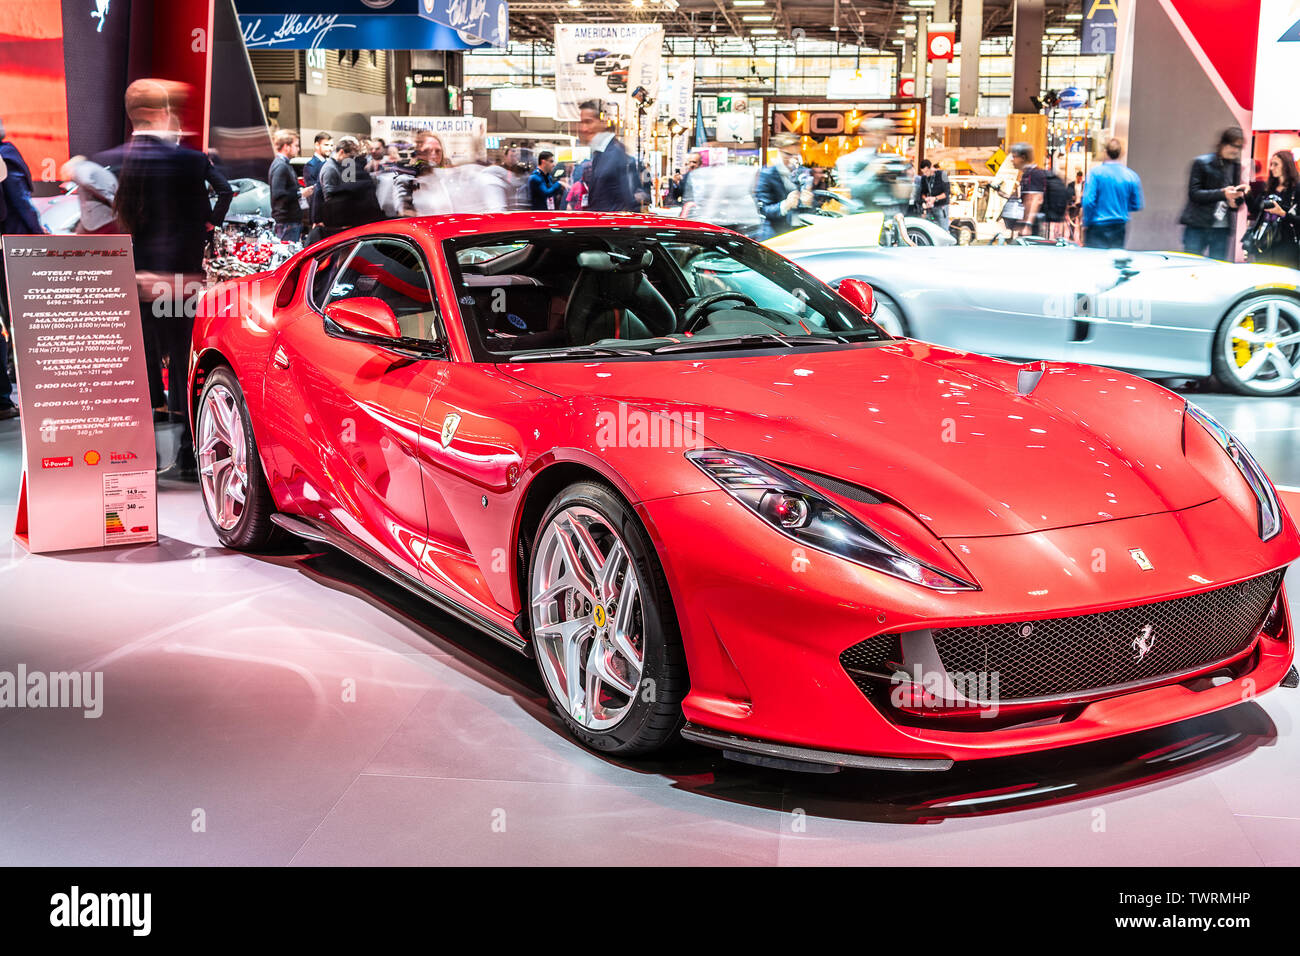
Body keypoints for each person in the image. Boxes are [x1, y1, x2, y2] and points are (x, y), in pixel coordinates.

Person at [95, 79, 232, 480]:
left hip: (137, 279)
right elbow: (223, 192)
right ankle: (190, 456)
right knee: (187, 367)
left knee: (140, 366)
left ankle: (141, 457)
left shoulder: (119, 160)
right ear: (163, 111)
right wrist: (208, 227)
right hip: (183, 280)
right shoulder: (191, 161)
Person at [1180, 127, 1247, 261]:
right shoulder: (1202, 163)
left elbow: (1232, 199)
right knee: (1190, 265)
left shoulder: (1235, 166)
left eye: (1239, 147)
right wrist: (1223, 194)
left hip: (1222, 228)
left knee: (1217, 268)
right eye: (1233, 145)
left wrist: (1236, 201)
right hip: (1198, 225)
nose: (1235, 150)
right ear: (1223, 143)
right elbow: (1194, 194)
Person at [1081, 138, 1144, 250]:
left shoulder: (1096, 173)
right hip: (1119, 226)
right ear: (1120, 154)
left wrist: (1086, 222)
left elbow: (1088, 201)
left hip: (1097, 225)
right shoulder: (1131, 175)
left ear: (1105, 152)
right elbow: (1136, 204)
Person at [575, 100, 637, 212]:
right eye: (582, 122)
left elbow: (629, 201)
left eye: (588, 122)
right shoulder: (600, 154)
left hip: (611, 225)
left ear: (603, 122)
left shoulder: (615, 154)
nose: (584, 128)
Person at [316, 136, 383, 238]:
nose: (351, 161)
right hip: (336, 222)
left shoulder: (338, 167)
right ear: (342, 152)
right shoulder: (330, 168)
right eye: (350, 157)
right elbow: (329, 196)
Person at [1245, 149, 1300, 269]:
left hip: (1286, 243)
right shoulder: (1269, 187)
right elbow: (1255, 210)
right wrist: (1247, 194)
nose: (1271, 168)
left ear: (1286, 166)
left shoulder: (1296, 189)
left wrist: (1283, 214)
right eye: (1271, 164)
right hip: (1265, 240)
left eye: (1276, 164)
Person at [754, 133, 802, 240]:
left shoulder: (800, 173)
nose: (793, 159)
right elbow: (764, 210)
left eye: (796, 155)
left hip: (798, 234)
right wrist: (786, 205)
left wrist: (808, 201)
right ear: (779, 151)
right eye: (788, 154)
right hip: (775, 236)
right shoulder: (767, 174)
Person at [394, 131, 453, 217]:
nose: (433, 155)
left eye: (438, 151)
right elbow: (403, 212)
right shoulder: (406, 180)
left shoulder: (446, 180)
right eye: (427, 151)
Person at [60, 156, 118, 234]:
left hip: (98, 218)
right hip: (107, 216)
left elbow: (86, 182)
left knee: (81, 241)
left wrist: (109, 199)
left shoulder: (79, 168)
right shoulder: (93, 168)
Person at [268, 129, 304, 242]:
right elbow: (278, 194)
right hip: (286, 221)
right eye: (296, 145)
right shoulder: (281, 166)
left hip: (288, 221)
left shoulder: (283, 164)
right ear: (286, 147)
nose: (298, 149)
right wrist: (300, 193)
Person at [1005, 142, 1045, 237]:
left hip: (1031, 228)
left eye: (1014, 157)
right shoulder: (1026, 174)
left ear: (1023, 158)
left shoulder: (1034, 173)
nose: (1011, 160)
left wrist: (1026, 225)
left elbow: (1035, 199)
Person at [916, 159, 950, 233]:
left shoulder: (943, 174)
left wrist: (935, 198)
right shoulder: (924, 178)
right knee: (931, 230)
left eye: (926, 171)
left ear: (931, 167)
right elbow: (922, 193)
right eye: (923, 172)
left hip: (942, 206)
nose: (925, 174)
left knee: (943, 229)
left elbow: (946, 193)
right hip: (930, 208)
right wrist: (927, 199)